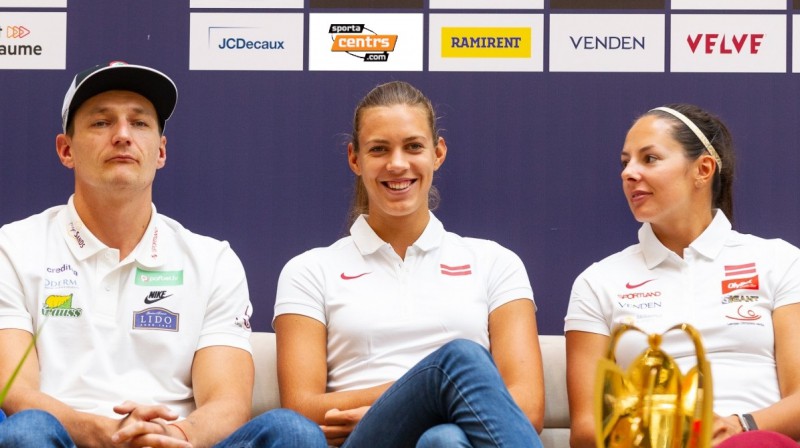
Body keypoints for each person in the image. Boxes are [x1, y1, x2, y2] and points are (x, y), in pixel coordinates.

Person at [0, 61, 325, 447]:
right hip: (67, 439)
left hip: (179, 442)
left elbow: (227, 404)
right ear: (66, 149)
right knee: (26, 430)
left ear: (161, 151)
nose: (122, 135)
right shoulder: (14, 247)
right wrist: (101, 433)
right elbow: (13, 391)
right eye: (102, 123)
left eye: (139, 123)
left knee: (292, 433)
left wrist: (170, 435)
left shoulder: (212, 259)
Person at [273, 80, 545, 447]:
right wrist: (420, 394)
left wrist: (423, 406)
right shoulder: (309, 270)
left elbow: (529, 409)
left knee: (444, 440)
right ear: (355, 159)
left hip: (460, 438)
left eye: (413, 146)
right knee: (461, 360)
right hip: (366, 440)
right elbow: (301, 407)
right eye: (379, 149)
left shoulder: (496, 262)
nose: (397, 164)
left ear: (438, 152)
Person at [564, 103, 800, 447]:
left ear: (703, 169)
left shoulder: (779, 260)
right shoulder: (598, 281)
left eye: (650, 159)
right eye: (625, 162)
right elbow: (586, 429)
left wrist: (739, 426)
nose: (628, 173)